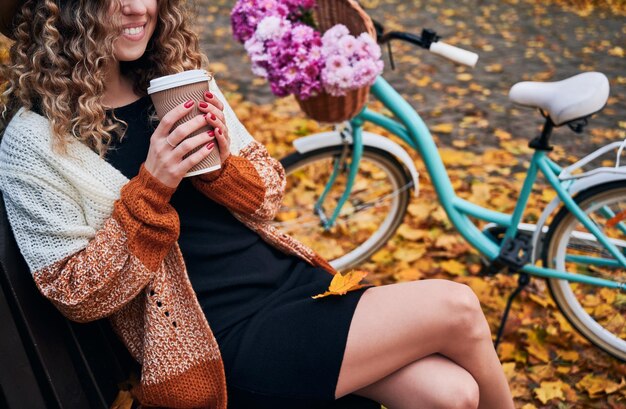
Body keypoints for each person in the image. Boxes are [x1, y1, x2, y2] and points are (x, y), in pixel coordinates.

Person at [0, 1, 515, 408]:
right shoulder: (36, 139)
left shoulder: (178, 81)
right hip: (217, 339)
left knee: (452, 395)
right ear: (61, 10)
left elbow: (268, 194)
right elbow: (76, 293)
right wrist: (153, 185)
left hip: (288, 286)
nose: (138, 7)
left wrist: (225, 166)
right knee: (458, 306)